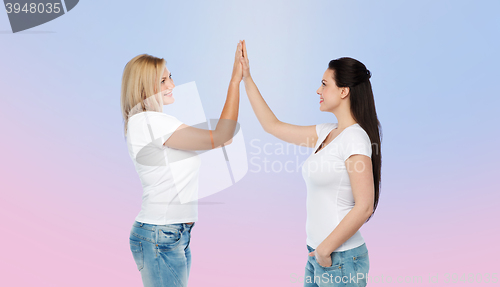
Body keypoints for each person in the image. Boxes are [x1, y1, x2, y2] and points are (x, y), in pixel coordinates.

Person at [239, 40, 382, 287]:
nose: (318, 90)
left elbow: (365, 206)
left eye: (325, 84)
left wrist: (326, 249)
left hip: (340, 258)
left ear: (344, 91)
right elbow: (273, 126)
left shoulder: (355, 138)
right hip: (319, 255)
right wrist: (247, 79)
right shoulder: (327, 132)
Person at [120, 41, 244, 286]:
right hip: (161, 234)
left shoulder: (150, 122)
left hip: (171, 234)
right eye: (163, 81)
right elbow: (222, 135)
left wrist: (216, 137)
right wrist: (234, 81)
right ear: (146, 88)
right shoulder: (151, 122)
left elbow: (220, 139)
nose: (172, 85)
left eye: (170, 78)